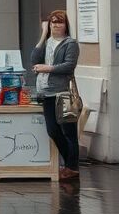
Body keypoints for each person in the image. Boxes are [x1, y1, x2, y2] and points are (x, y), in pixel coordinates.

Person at [30, 10, 81, 179]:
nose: (56, 25)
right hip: (45, 93)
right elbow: (34, 58)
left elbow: (69, 66)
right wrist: (43, 34)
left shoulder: (70, 43)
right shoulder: (48, 42)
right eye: (53, 22)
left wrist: (48, 68)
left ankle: (71, 167)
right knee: (52, 130)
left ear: (66, 25)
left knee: (68, 132)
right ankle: (71, 164)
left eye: (60, 22)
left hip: (62, 93)